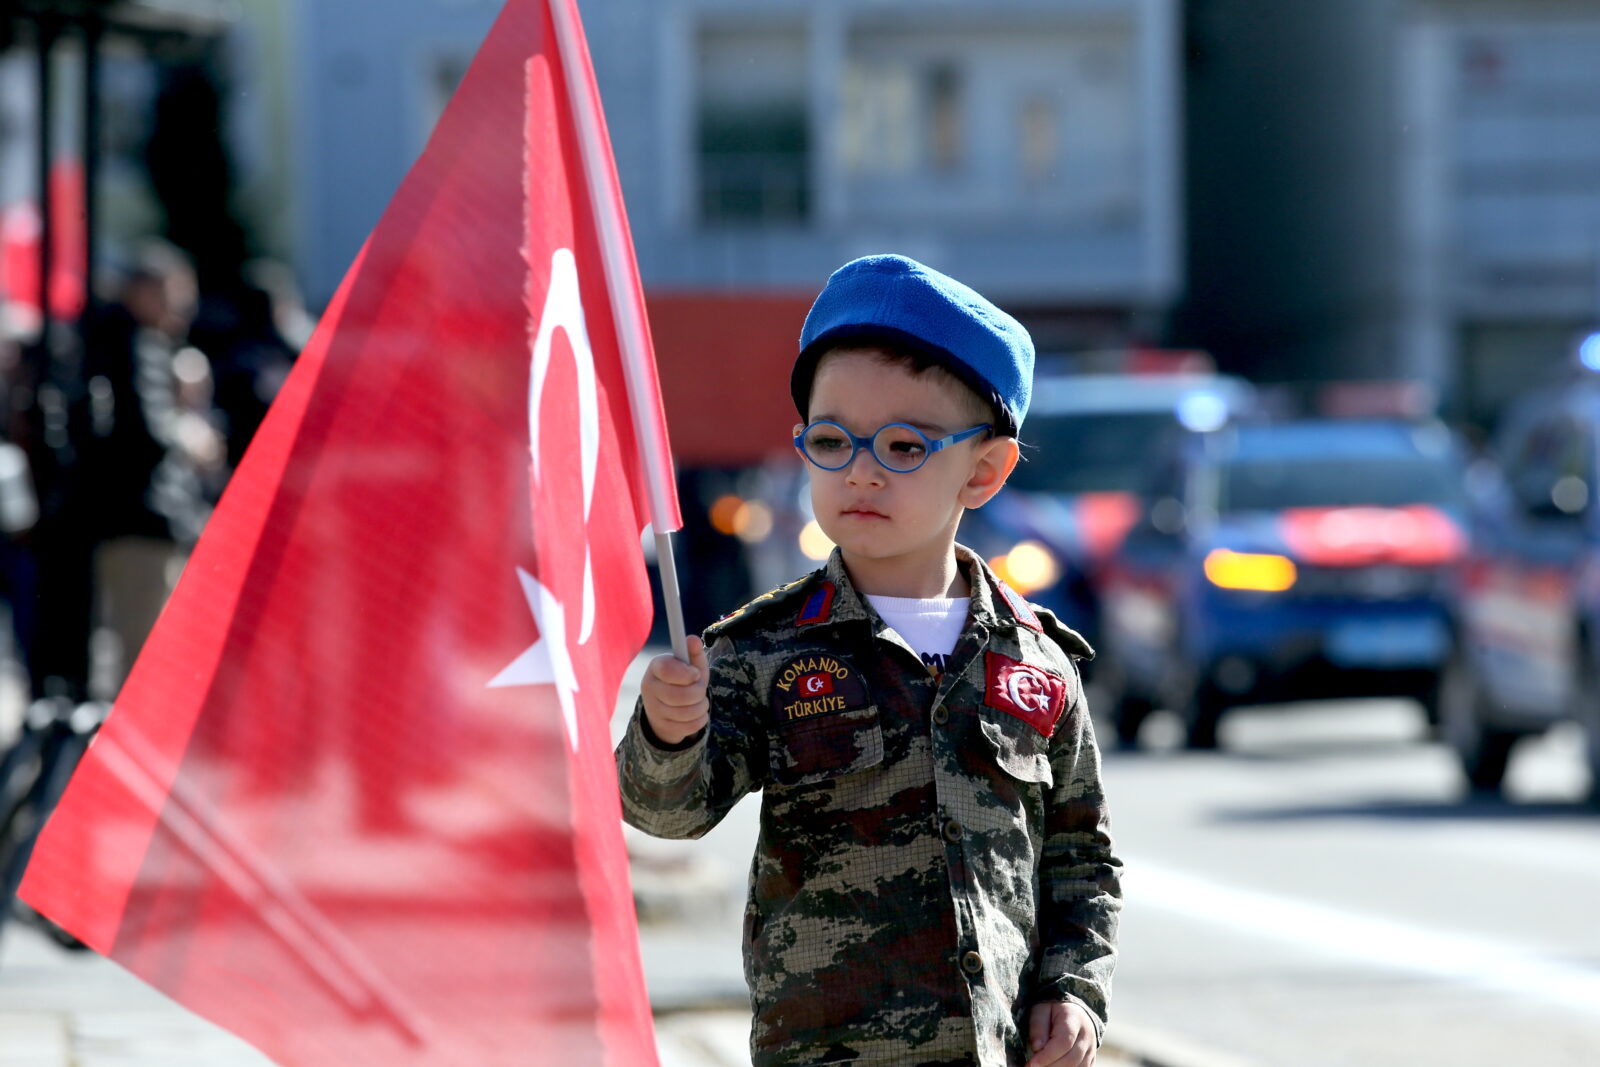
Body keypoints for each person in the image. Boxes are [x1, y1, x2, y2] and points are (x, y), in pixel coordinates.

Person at [615, 254, 1122, 1067]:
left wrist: (1074, 991)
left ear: (984, 470)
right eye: (830, 440)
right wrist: (668, 733)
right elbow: (666, 812)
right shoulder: (763, 649)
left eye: (902, 445)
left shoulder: (1037, 661)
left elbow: (1081, 858)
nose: (860, 469)